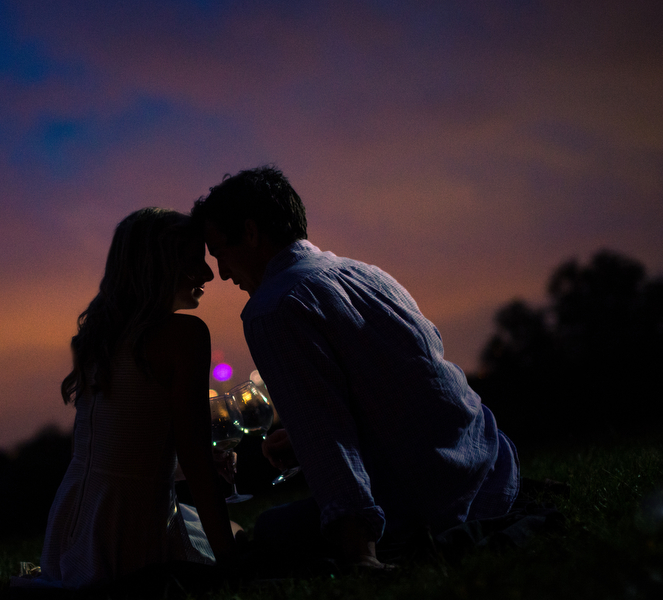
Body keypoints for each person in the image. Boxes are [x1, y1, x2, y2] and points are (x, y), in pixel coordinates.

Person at [191, 166, 520, 570]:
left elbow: (327, 439)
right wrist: (300, 441)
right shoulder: (367, 274)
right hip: (488, 465)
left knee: (271, 530)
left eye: (220, 251)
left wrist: (361, 553)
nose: (222, 272)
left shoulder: (273, 308)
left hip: (431, 501)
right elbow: (405, 387)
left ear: (251, 232)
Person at [31, 207, 239, 589]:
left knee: (237, 528)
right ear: (157, 267)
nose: (208, 274)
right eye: (193, 260)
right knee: (250, 538)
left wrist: (179, 469)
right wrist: (232, 564)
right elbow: (194, 459)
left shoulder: (102, 338)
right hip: (129, 539)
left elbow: (121, 458)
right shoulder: (184, 334)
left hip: (73, 535)